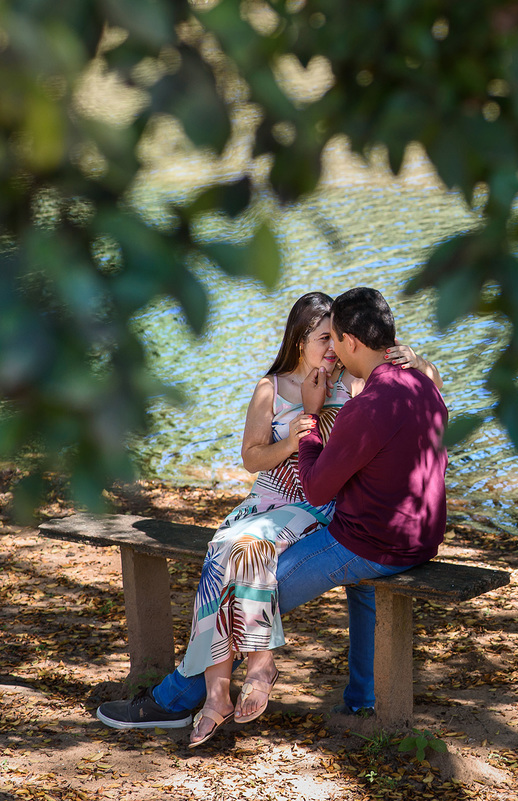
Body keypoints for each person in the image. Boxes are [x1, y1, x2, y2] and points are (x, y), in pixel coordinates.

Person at [97, 288, 448, 746]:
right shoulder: (412, 387)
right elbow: (432, 394)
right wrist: (418, 365)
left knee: (243, 591)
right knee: (236, 560)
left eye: (335, 339)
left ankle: (180, 695)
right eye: (321, 339)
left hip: (365, 538)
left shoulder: (364, 397)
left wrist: (311, 416)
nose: (332, 350)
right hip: (410, 534)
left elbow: (320, 486)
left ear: (352, 343)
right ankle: (352, 698)